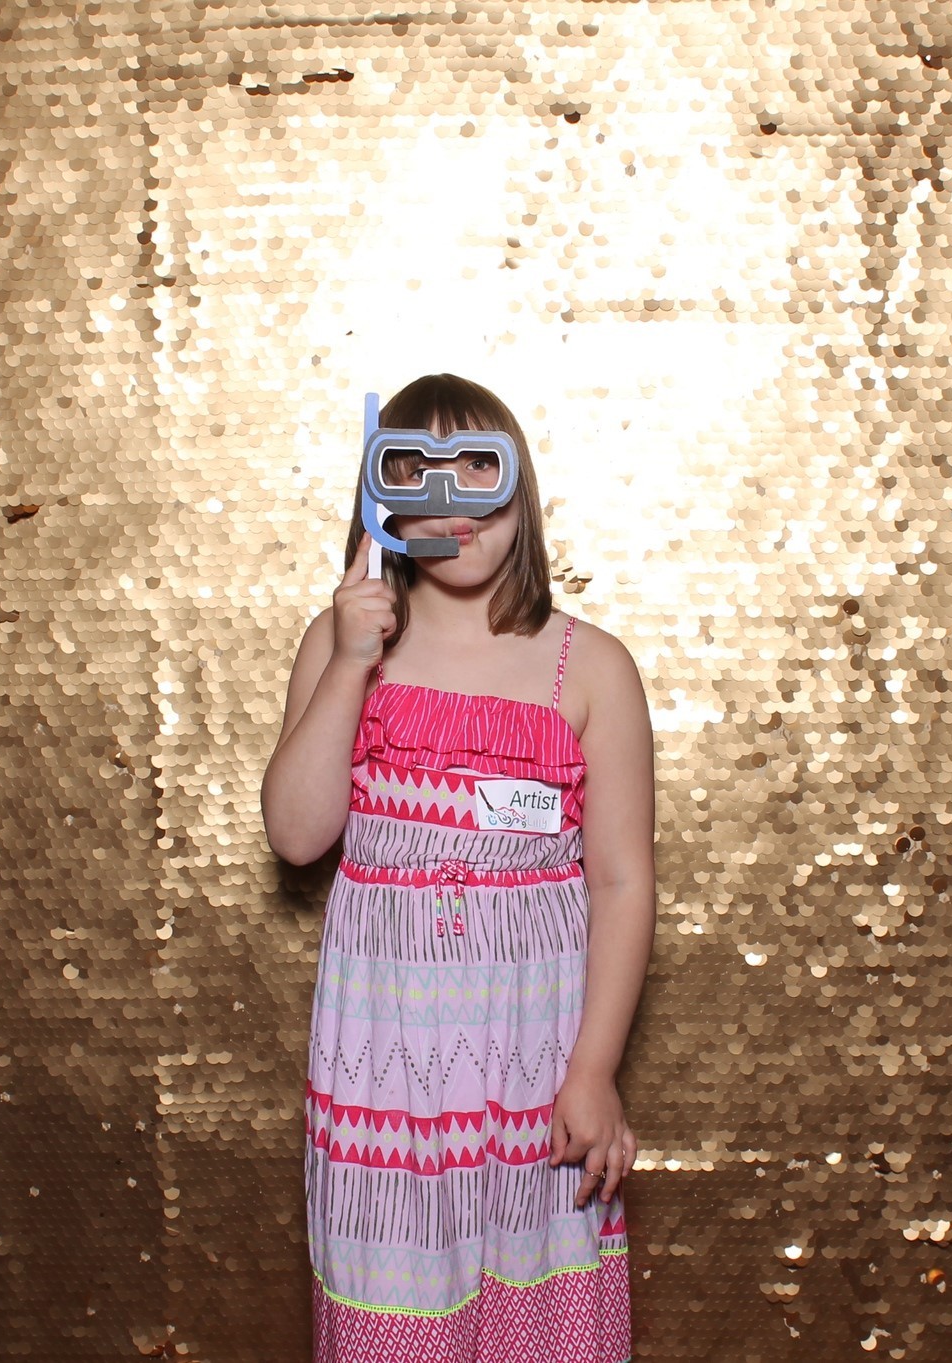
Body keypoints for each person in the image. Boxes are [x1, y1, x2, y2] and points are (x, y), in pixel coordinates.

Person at [263, 373, 653, 1362]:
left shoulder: (590, 668)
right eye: (419, 473)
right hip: (385, 1065)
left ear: (521, 489)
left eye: (481, 465)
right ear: (381, 502)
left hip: (536, 1059)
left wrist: (594, 1069)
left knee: (539, 1319)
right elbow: (297, 835)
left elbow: (620, 881)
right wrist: (349, 660)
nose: (454, 499)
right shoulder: (343, 648)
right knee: (392, 1319)